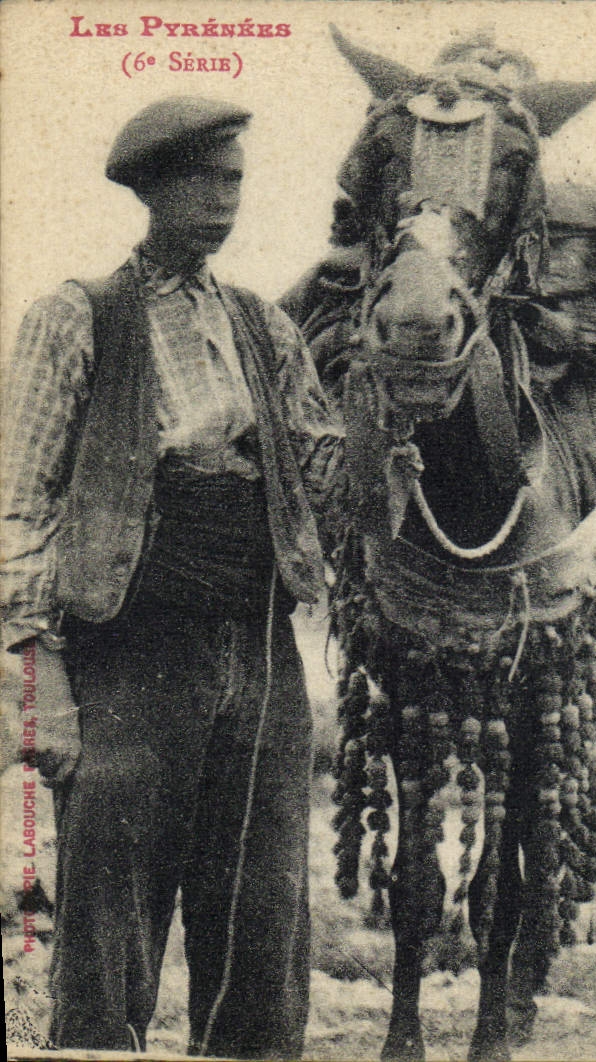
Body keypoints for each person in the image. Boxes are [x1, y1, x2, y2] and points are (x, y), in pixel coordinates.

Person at [0, 96, 341, 1058]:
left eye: (235, 179)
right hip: (130, 645)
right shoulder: (77, 319)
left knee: (263, 907)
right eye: (206, 179)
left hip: (260, 643)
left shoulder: (262, 326)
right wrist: (43, 688)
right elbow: (20, 511)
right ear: (152, 188)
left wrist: (387, 427)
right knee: (112, 914)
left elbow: (318, 466)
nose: (225, 199)